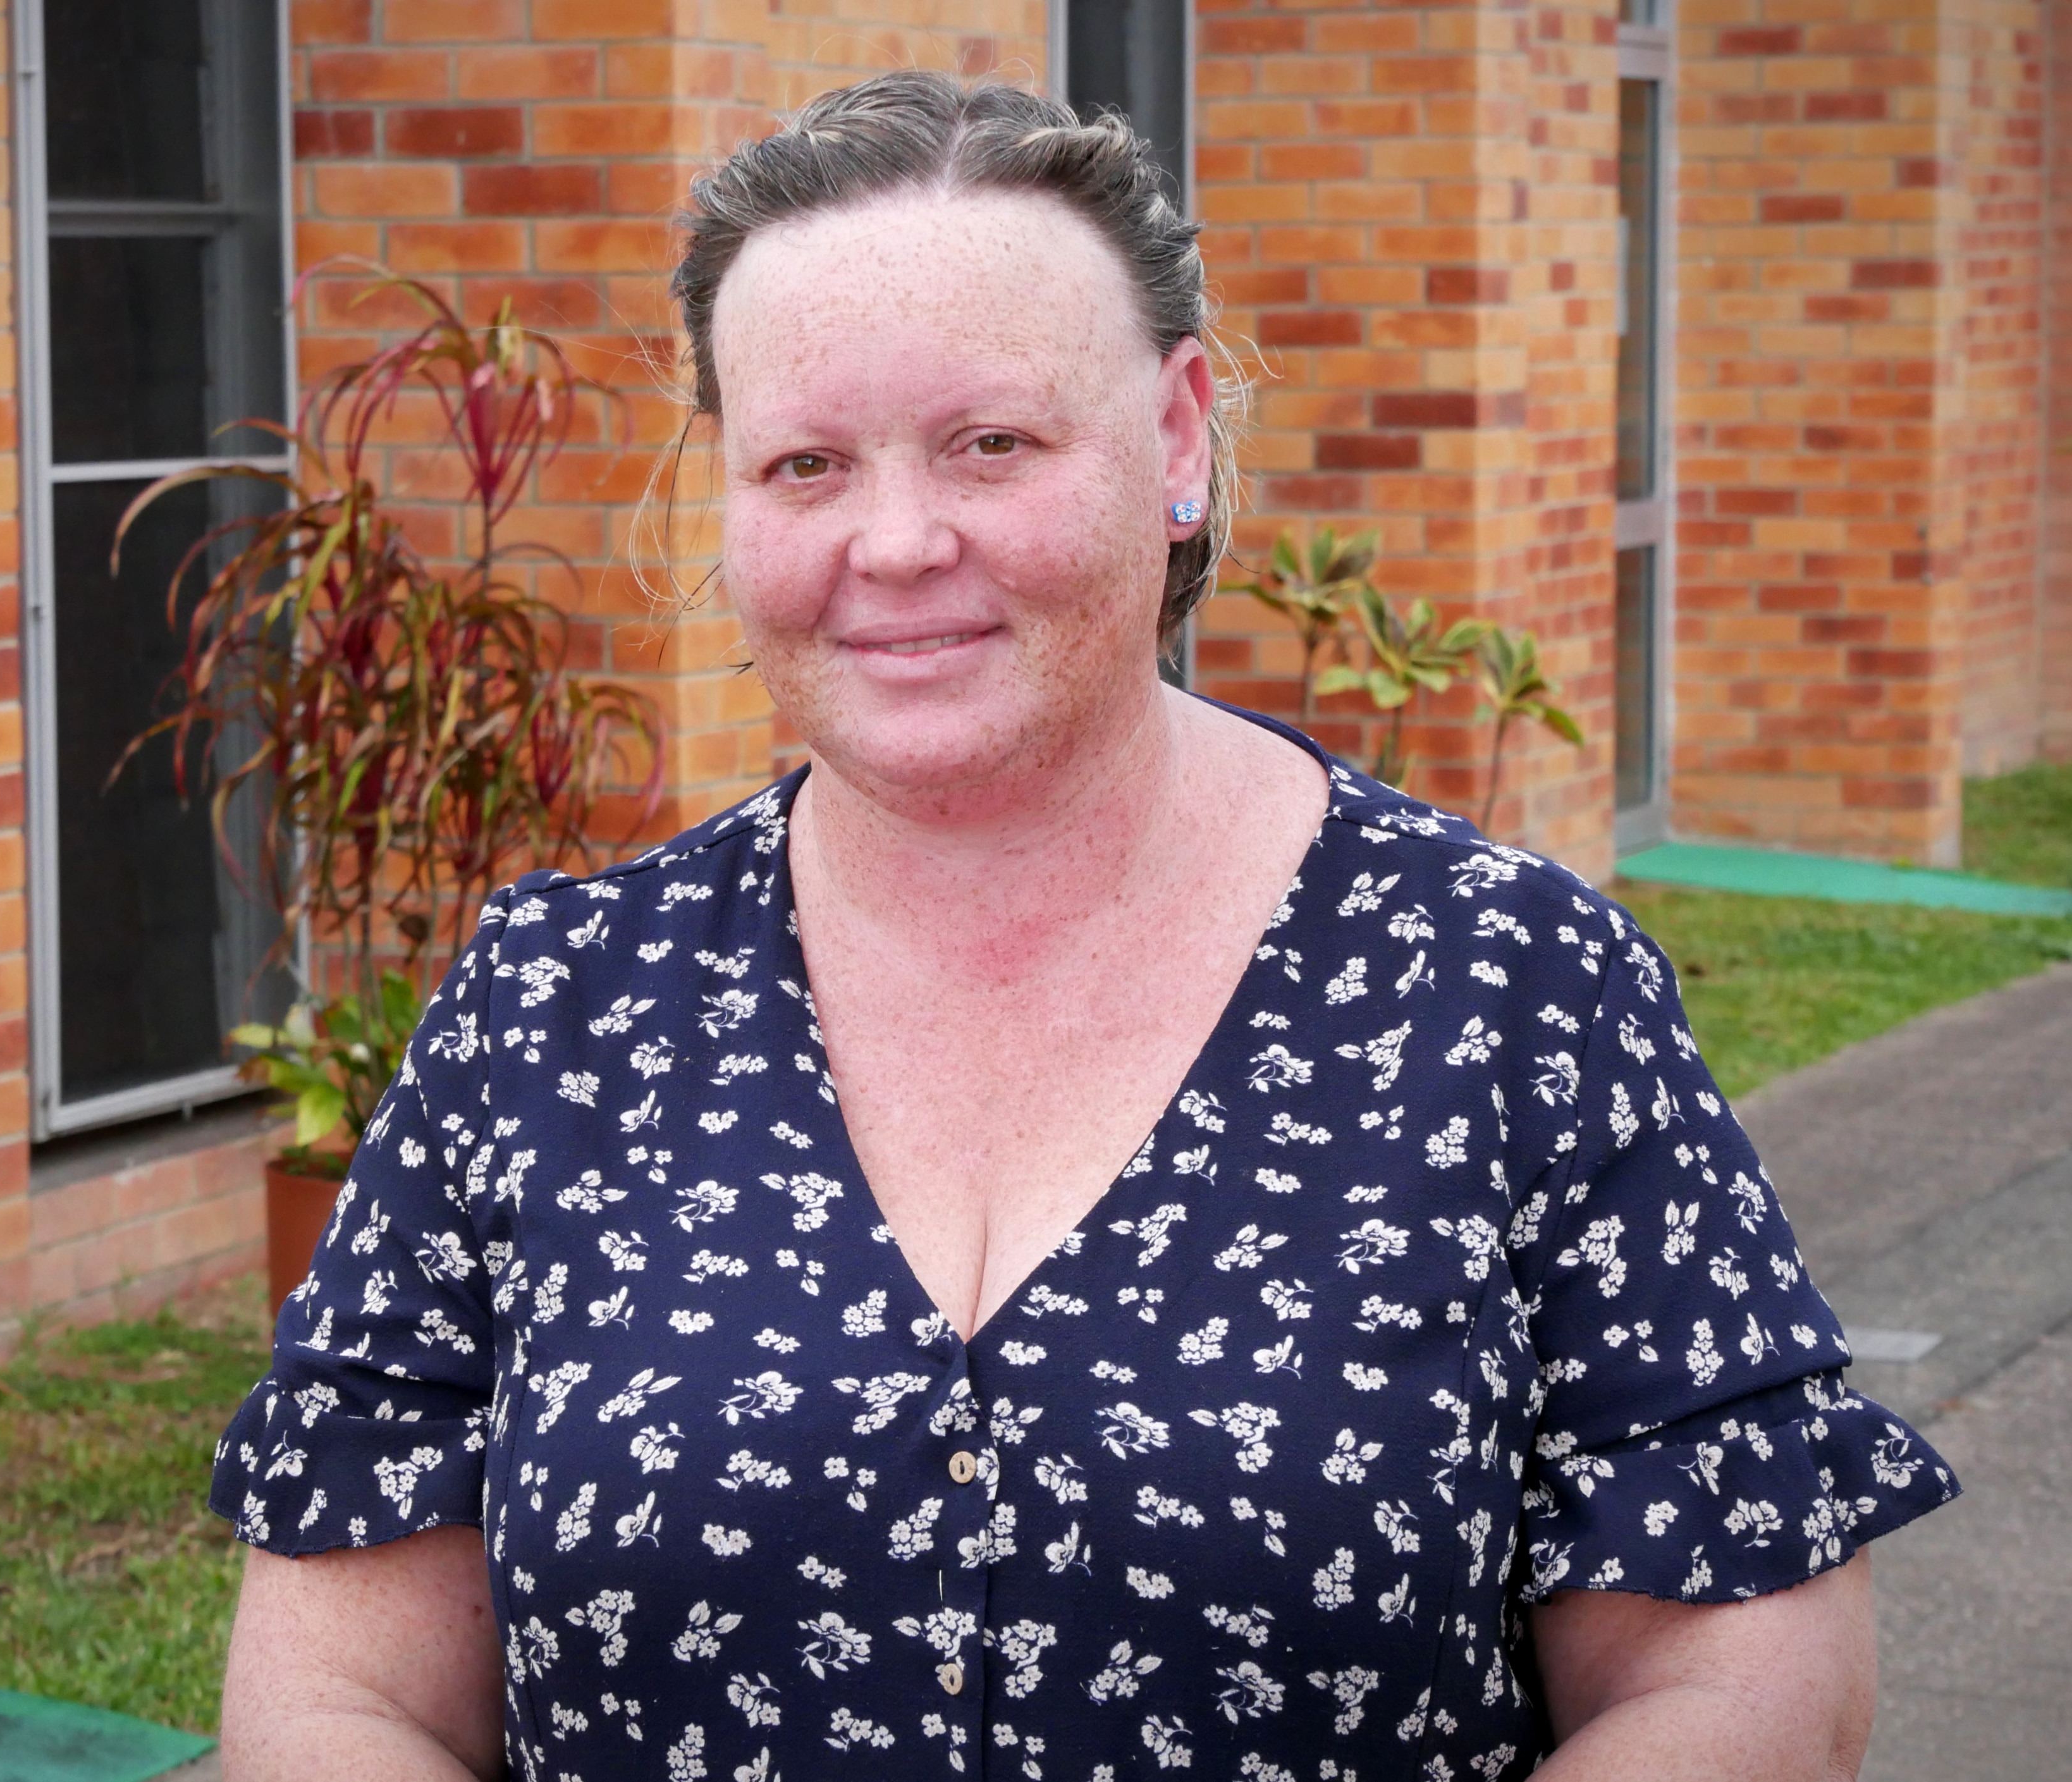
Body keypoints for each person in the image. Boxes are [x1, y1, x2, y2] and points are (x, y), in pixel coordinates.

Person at [209, 72, 1956, 1781]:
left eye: (991, 441)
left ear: (1179, 436)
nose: (894, 542)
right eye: (806, 461)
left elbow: (1744, 1671)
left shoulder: (1507, 993)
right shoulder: (553, 1014)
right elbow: (338, 1691)